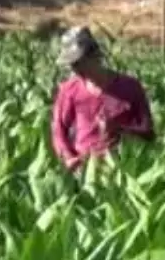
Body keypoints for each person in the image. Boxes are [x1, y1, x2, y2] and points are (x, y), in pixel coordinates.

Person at [51, 26, 155, 170]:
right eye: (71, 65)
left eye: (78, 63)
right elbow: (58, 130)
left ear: (95, 56)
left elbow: (148, 132)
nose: (75, 69)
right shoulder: (69, 90)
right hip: (84, 169)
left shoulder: (130, 87)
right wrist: (68, 158)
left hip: (123, 167)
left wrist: (119, 129)